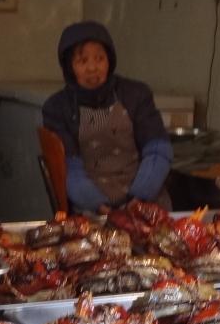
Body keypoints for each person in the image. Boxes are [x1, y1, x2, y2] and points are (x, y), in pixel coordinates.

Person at [42, 21, 173, 215]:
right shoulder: (56, 108)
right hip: (91, 208)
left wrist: (139, 198)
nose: (92, 68)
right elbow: (70, 169)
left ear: (109, 60)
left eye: (99, 58)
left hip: (146, 201)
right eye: (82, 61)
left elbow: (158, 151)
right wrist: (99, 206)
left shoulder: (136, 94)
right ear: (69, 67)